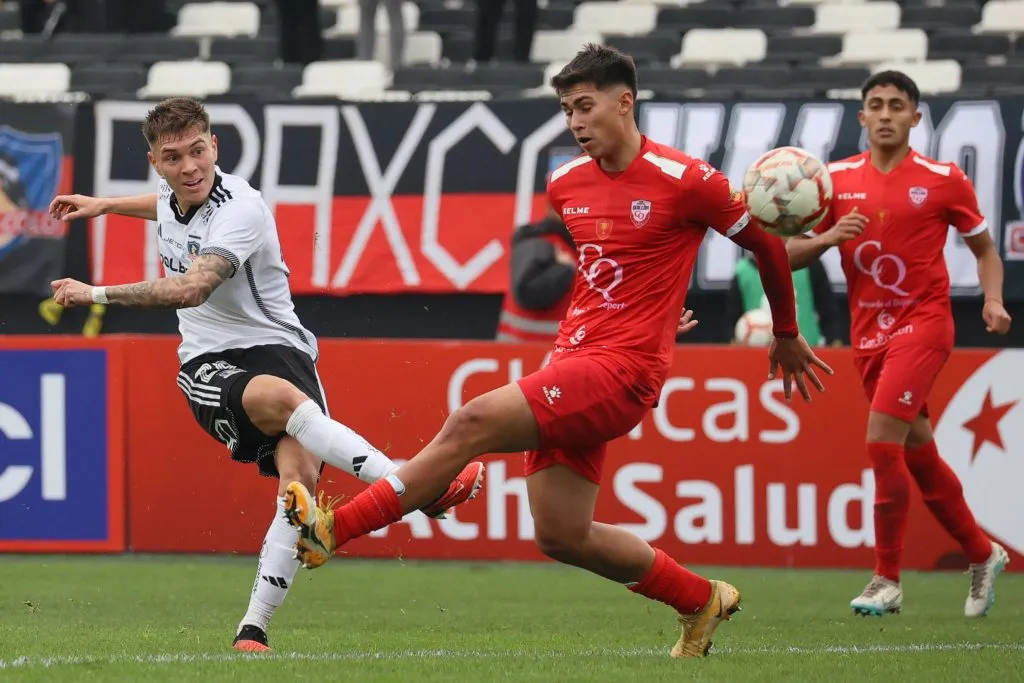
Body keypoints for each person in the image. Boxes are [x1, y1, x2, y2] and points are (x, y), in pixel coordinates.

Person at [280, 45, 832, 659]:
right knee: (562, 534)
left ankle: (336, 528)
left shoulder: (689, 181)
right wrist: (654, 306)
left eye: (585, 106)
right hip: (571, 363)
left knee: (470, 422)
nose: (574, 121)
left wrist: (786, 332)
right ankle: (701, 599)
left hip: (621, 373)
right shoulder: (566, 184)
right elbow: (613, 269)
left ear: (624, 102)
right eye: (567, 109)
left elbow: (769, 247)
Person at [47, 97, 484, 653]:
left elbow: (190, 288)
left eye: (198, 152)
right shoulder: (172, 190)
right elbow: (163, 205)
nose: (189, 168)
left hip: (283, 348)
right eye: (174, 157)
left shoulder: (241, 207)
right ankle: (417, 486)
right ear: (156, 162)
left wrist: (94, 293)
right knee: (282, 405)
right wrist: (103, 205)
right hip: (209, 361)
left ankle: (252, 630)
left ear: (215, 147)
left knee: (298, 487)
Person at [786, 71, 1012, 618]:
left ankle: (886, 579)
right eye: (876, 105)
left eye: (897, 105)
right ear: (861, 118)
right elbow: (786, 253)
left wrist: (993, 300)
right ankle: (983, 553)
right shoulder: (834, 181)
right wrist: (827, 238)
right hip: (869, 335)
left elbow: (984, 249)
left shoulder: (942, 179)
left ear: (915, 117)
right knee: (919, 452)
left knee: (881, 441)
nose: (886, 114)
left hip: (925, 324)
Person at [727, 250, 844, 346]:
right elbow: (733, 320)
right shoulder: (742, 271)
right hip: (756, 356)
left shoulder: (810, 265)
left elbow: (828, 312)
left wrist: (835, 342)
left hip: (809, 352)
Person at [497, 208, 577, 343]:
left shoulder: (569, 246)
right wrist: (563, 269)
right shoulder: (543, 244)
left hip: (536, 355)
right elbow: (528, 291)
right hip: (531, 354)